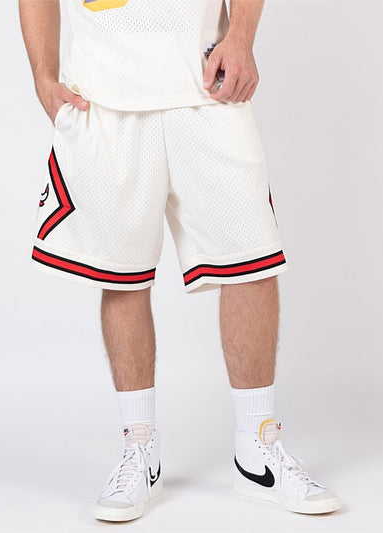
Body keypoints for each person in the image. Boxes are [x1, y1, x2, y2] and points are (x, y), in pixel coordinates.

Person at [19, 0, 342, 522]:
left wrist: (241, 36)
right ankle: (139, 448)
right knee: (122, 275)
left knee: (251, 262)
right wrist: (42, 75)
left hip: (206, 84)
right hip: (102, 95)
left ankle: (258, 446)